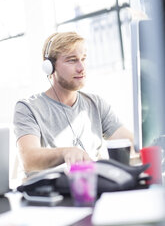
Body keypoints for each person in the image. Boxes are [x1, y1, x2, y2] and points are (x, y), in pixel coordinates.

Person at [13, 31, 134, 177]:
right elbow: (29, 159)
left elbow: (130, 143)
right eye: (72, 60)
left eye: (83, 59)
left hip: (94, 188)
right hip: (52, 195)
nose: (81, 67)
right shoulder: (28, 108)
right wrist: (66, 152)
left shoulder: (95, 104)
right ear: (50, 67)